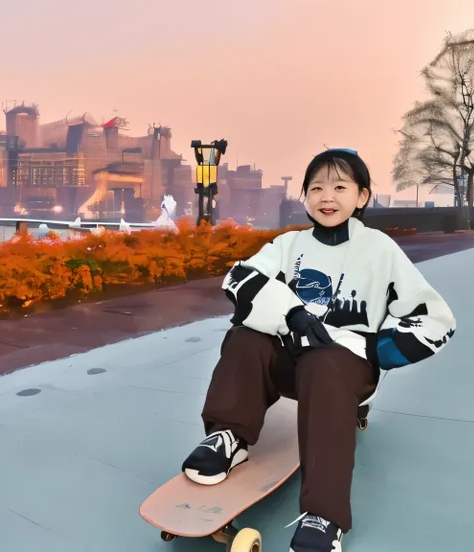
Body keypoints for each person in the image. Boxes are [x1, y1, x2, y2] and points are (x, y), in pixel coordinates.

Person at [180, 148, 456, 552]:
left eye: (340, 187)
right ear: (306, 196)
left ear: (362, 196)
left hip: (343, 371)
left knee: (325, 364)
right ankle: (228, 438)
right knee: (245, 337)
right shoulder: (290, 245)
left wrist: (378, 351)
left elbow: (435, 319)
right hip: (291, 361)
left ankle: (324, 515)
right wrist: (290, 313)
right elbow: (239, 279)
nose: (327, 196)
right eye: (317, 188)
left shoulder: (379, 250)